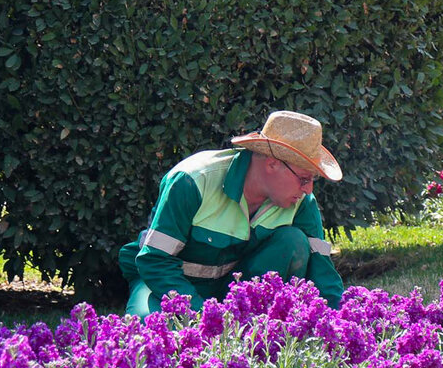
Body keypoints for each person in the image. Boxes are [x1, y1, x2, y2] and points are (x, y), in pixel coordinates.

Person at [119, 110, 346, 317]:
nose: (308, 189)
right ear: (273, 163)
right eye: (304, 179)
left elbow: (322, 270)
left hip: (232, 286)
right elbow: (155, 261)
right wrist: (202, 316)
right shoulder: (193, 180)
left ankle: (250, 321)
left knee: (294, 241)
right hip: (165, 282)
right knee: (152, 330)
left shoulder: (302, 202)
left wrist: (339, 322)